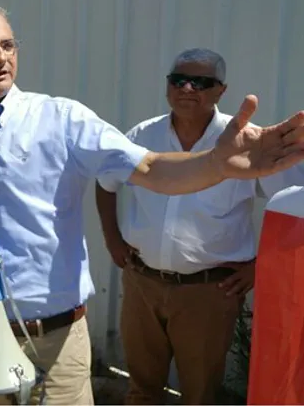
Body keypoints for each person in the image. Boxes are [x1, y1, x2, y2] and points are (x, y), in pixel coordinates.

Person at [0, 4, 304, 405]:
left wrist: (214, 164)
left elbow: (151, 167)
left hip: (56, 340)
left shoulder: (61, 119)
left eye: (8, 44)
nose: (1, 57)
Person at [95, 48, 304, 405]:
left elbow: (293, 206)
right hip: (142, 283)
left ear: (221, 91)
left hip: (208, 292)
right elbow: (105, 181)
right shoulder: (142, 135)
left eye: (201, 82)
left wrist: (259, 268)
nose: (187, 88)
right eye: (179, 79)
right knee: (142, 389)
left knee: (200, 394)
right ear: (167, 85)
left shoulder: (245, 143)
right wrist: (112, 238)